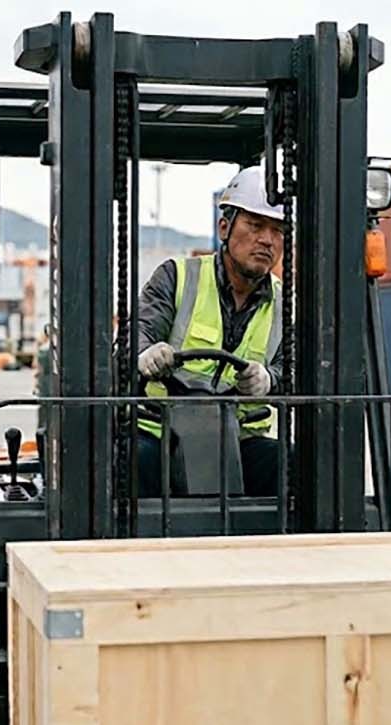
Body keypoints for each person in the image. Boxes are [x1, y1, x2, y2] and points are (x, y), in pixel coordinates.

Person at [135, 166, 284, 497]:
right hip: (162, 431)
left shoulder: (286, 303)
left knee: (289, 465)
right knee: (130, 460)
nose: (267, 240)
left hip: (241, 437)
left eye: (278, 230)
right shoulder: (178, 277)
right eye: (255, 225)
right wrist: (146, 353)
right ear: (224, 228)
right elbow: (140, 331)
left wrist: (270, 379)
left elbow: (301, 369)